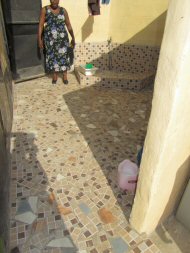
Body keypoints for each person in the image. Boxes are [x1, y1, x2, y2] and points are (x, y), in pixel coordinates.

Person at [38, 0, 75, 85]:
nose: (54, 1)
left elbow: (68, 25)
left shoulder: (63, 10)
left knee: (64, 56)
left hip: (63, 39)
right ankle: (55, 75)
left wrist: (73, 37)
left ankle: (65, 75)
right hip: (50, 40)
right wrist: (39, 39)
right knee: (53, 56)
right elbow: (40, 25)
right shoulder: (45, 10)